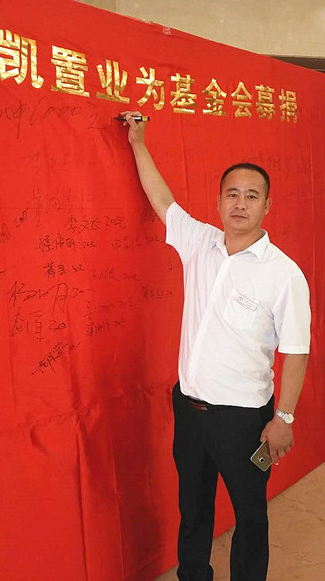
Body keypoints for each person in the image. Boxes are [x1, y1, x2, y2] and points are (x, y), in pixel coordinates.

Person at [120, 111, 311, 581]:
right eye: (232, 194)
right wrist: (138, 142)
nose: (240, 204)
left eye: (251, 196)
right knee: (193, 509)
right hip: (190, 410)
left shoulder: (283, 273)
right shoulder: (200, 244)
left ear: (267, 205)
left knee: (250, 517)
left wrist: (283, 419)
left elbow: (297, 350)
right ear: (219, 200)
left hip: (244, 421)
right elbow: (162, 199)